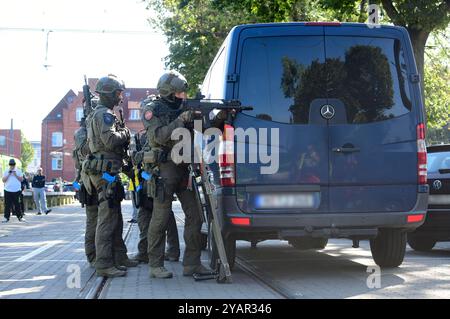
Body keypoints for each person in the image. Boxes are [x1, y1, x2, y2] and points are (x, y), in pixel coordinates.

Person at [141, 70, 210, 278]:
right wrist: (181, 120)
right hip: (164, 170)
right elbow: (159, 136)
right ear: (169, 92)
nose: (183, 96)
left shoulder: (185, 108)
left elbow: (205, 130)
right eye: (179, 93)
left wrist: (211, 117)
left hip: (184, 169)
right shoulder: (152, 109)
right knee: (160, 218)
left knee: (196, 216)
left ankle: (192, 263)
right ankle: (155, 264)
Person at [85, 74, 138, 278]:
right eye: (117, 93)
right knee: (107, 219)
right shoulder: (104, 115)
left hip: (109, 172)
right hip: (105, 174)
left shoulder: (101, 113)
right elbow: (110, 141)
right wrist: (126, 133)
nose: (120, 97)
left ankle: (119, 257)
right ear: (108, 94)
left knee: (114, 217)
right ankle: (104, 264)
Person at [132, 131, 180, 264]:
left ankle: (171, 251)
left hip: (158, 182)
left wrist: (140, 156)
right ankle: (144, 252)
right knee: (146, 219)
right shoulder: (147, 137)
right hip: (148, 183)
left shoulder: (161, 136)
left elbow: (155, 156)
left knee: (165, 218)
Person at [73, 98, 99, 268]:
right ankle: (92, 256)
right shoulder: (82, 132)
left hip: (100, 179)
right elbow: (85, 152)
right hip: (88, 182)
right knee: (93, 221)